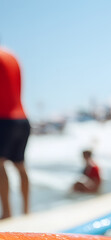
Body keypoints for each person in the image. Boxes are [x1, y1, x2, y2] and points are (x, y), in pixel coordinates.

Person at [0, 47, 31, 219]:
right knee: (20, 165)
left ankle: (6, 214)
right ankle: (27, 211)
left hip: (3, 119)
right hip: (22, 118)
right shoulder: (13, 56)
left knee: (0, 164)